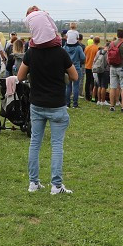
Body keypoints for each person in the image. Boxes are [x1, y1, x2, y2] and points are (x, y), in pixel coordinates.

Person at [18, 11, 77, 194]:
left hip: (37, 104)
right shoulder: (60, 52)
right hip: (57, 104)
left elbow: (20, 76)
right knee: (57, 145)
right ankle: (56, 185)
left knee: (35, 143)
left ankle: (33, 182)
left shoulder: (31, 52)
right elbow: (74, 76)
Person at [107, 29, 123, 112]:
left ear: (117, 35)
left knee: (112, 87)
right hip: (122, 67)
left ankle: (112, 106)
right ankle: (122, 106)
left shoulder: (111, 44)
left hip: (112, 67)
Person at [64, 34, 85, 109]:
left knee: (68, 86)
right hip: (76, 67)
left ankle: (67, 103)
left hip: (67, 68)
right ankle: (75, 104)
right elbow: (83, 57)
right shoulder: (78, 47)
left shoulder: (65, 47)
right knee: (76, 86)